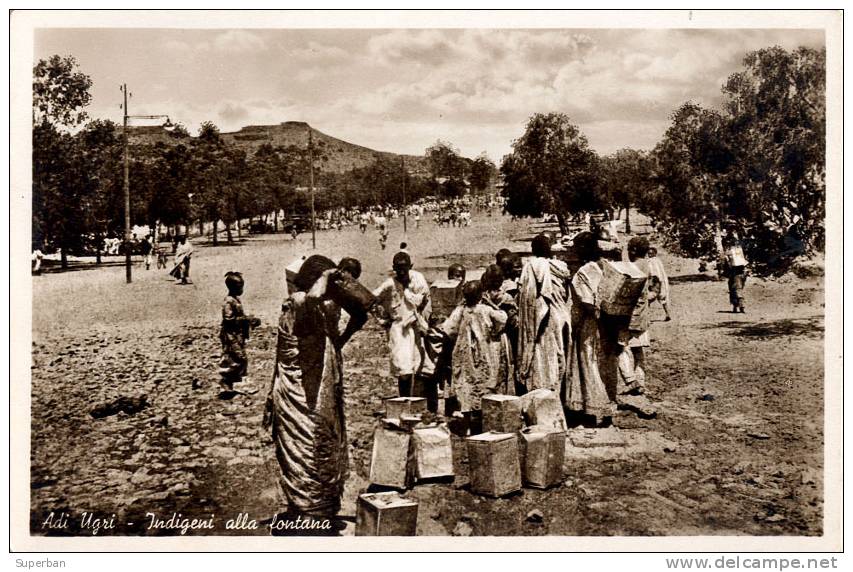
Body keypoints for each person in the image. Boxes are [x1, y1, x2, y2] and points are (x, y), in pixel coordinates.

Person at [263, 255, 371, 531]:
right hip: (297, 393)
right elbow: (312, 300)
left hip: (315, 391)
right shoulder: (300, 303)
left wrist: (341, 339)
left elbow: (361, 314)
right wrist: (325, 279)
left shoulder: (321, 309)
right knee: (305, 448)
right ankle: (306, 511)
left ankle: (316, 511)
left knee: (320, 443)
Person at [439, 280, 507, 435]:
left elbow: (449, 330)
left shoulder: (460, 311)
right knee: (483, 385)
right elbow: (502, 319)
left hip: (464, 355)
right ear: (480, 295)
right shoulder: (486, 310)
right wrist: (491, 304)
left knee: (467, 387)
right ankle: (481, 424)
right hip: (484, 354)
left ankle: (469, 423)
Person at [567, 232, 616, 424]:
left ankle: (594, 410)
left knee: (589, 364)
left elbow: (587, 302)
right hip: (609, 323)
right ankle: (607, 407)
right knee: (606, 365)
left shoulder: (583, 272)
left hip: (591, 323)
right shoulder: (607, 266)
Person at [517, 234, 573, 395]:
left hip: (544, 318)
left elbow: (527, 296)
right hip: (562, 315)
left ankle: (546, 396)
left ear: (533, 250)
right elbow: (566, 294)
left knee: (544, 360)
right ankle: (563, 397)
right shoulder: (561, 267)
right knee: (561, 355)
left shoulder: (532, 267)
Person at [373, 251, 431, 399]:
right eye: (398, 268)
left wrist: (425, 323)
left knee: (420, 367)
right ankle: (404, 401)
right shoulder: (389, 284)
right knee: (404, 370)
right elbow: (371, 300)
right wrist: (382, 319)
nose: (402, 271)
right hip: (399, 330)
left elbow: (426, 301)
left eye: (405, 268)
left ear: (410, 266)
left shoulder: (418, 279)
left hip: (418, 326)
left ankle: (419, 403)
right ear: (394, 268)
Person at [218, 272, 261, 396]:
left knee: (238, 357)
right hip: (231, 335)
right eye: (239, 287)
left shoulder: (235, 299)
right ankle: (226, 382)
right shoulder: (228, 301)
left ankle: (237, 381)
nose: (241, 289)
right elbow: (228, 320)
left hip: (238, 334)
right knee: (237, 357)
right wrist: (246, 320)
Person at [720, 227, 748, 313]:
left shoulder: (729, 252)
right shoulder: (740, 250)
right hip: (741, 271)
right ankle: (739, 306)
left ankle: (738, 306)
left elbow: (725, 263)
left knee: (735, 288)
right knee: (738, 288)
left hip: (734, 272)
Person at [646, 246, 672, 321]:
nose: (649, 255)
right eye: (649, 253)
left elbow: (653, 273)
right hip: (661, 281)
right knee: (662, 298)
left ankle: (647, 318)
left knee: (648, 299)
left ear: (655, 254)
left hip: (655, 282)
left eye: (651, 253)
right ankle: (668, 314)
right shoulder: (658, 261)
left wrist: (652, 283)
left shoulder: (651, 261)